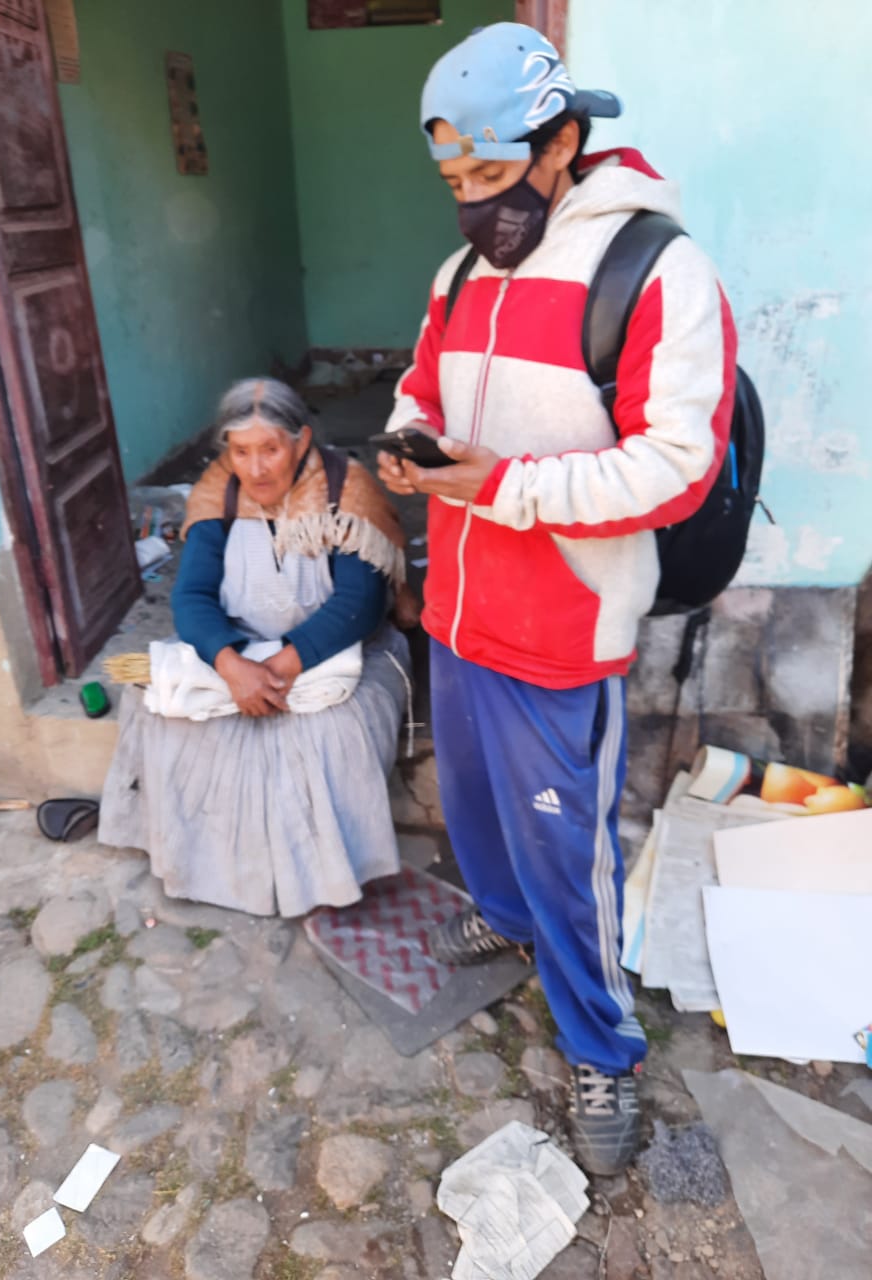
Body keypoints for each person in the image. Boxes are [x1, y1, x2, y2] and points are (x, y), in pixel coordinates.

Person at [378, 23, 737, 1175]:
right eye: (454, 182)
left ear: (563, 141)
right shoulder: (458, 276)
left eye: (492, 173)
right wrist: (405, 443)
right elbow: (418, 383)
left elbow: (675, 465)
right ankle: (504, 915)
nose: (474, 204)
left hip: (562, 626)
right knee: (477, 816)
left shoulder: (652, 269)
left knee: (565, 848)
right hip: (459, 614)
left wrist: (506, 487)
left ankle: (601, 1040)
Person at [100, 378, 412, 918]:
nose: (257, 468)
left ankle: (319, 877)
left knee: (325, 735)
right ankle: (213, 868)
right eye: (241, 451)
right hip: (239, 649)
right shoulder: (217, 492)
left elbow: (359, 604)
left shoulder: (345, 487)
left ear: (301, 439)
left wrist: (282, 665)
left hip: (334, 651)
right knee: (162, 714)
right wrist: (230, 662)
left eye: (271, 449)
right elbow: (193, 595)